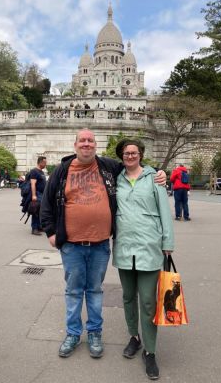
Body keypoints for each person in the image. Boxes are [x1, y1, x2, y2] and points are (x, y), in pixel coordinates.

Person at [40, 129, 166, 359]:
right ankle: (73, 334)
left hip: (99, 244)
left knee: (96, 291)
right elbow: (46, 203)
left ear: (95, 145)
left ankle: (95, 332)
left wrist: (158, 172)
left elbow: (133, 164)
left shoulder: (108, 166)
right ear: (75, 144)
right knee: (74, 291)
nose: (86, 144)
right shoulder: (62, 170)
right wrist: (50, 232)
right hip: (72, 245)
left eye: (90, 141)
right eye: (82, 141)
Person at [113, 138, 174, 380]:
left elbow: (164, 212)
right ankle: (134, 337)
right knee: (128, 297)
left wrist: (168, 242)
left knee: (148, 302)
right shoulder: (116, 179)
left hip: (150, 246)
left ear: (141, 154)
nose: (130, 156)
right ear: (121, 156)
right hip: (125, 247)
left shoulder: (154, 178)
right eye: (126, 153)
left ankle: (150, 351)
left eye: (134, 152)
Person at [28, 156, 47, 235]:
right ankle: (34, 228)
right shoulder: (34, 171)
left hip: (42, 194)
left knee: (40, 211)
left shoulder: (41, 172)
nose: (46, 164)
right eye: (44, 162)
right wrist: (34, 195)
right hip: (37, 193)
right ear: (40, 162)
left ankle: (39, 226)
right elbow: (33, 184)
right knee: (36, 210)